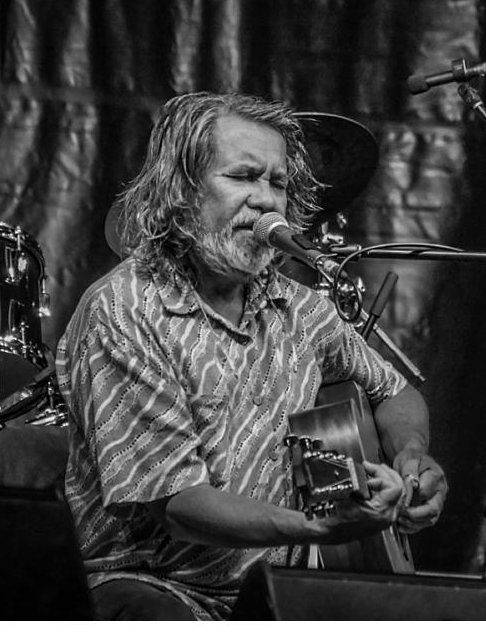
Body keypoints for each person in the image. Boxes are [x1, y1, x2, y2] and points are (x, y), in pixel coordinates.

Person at [56, 92, 447, 622]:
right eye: (243, 177)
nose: (267, 200)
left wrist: (412, 457)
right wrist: (314, 527)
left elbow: (394, 391)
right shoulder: (123, 308)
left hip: (271, 586)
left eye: (278, 183)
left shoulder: (301, 309)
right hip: (146, 582)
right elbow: (180, 506)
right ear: (181, 190)